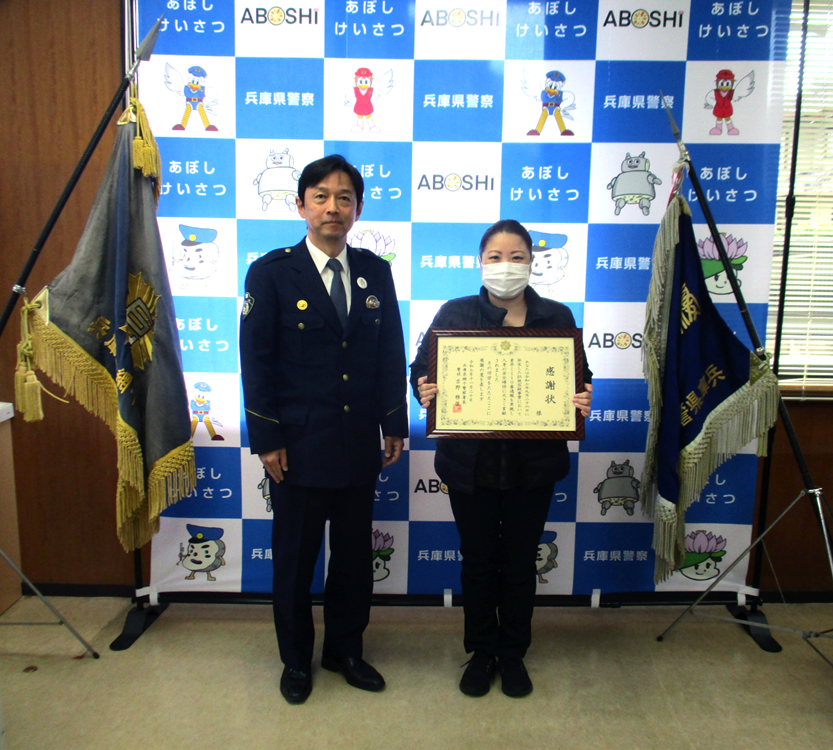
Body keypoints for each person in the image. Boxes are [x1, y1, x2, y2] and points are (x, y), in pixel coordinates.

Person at [240, 154, 409, 705]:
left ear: (357, 209)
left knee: (354, 560)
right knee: (295, 563)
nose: (333, 207)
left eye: (344, 198)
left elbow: (389, 351)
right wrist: (267, 438)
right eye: (321, 196)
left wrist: (393, 422)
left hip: (358, 443)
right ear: (301, 206)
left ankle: (345, 651)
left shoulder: (375, 271)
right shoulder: (271, 272)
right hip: (298, 447)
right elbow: (256, 362)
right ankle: (295, 661)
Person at [409, 219, 593, 698]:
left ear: (531, 263)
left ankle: (512, 654)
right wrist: (423, 388)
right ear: (480, 262)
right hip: (469, 467)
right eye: (495, 257)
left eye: (516, 257)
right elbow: (420, 370)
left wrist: (582, 397)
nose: (506, 266)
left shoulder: (555, 315)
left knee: (519, 562)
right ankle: (481, 652)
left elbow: (580, 377)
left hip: (533, 468)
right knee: (477, 561)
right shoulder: (455, 313)